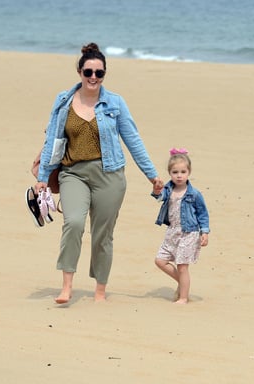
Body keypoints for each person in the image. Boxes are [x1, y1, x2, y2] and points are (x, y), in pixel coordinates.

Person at [34, 42, 163, 304]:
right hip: (73, 174)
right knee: (74, 223)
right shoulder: (63, 101)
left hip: (110, 175)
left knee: (103, 234)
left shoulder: (115, 103)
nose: (93, 77)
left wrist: (152, 175)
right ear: (80, 71)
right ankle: (67, 287)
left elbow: (133, 140)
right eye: (88, 72)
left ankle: (100, 291)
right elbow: (52, 142)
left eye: (99, 73)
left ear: (104, 74)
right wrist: (41, 178)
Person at [152, 148, 210, 304]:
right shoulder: (168, 189)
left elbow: (203, 214)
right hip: (172, 232)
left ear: (188, 172)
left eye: (183, 172)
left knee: (182, 266)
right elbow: (159, 196)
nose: (179, 175)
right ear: (170, 173)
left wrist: (204, 232)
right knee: (160, 261)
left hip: (189, 233)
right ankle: (183, 283)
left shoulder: (194, 194)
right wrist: (156, 189)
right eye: (175, 172)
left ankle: (183, 297)